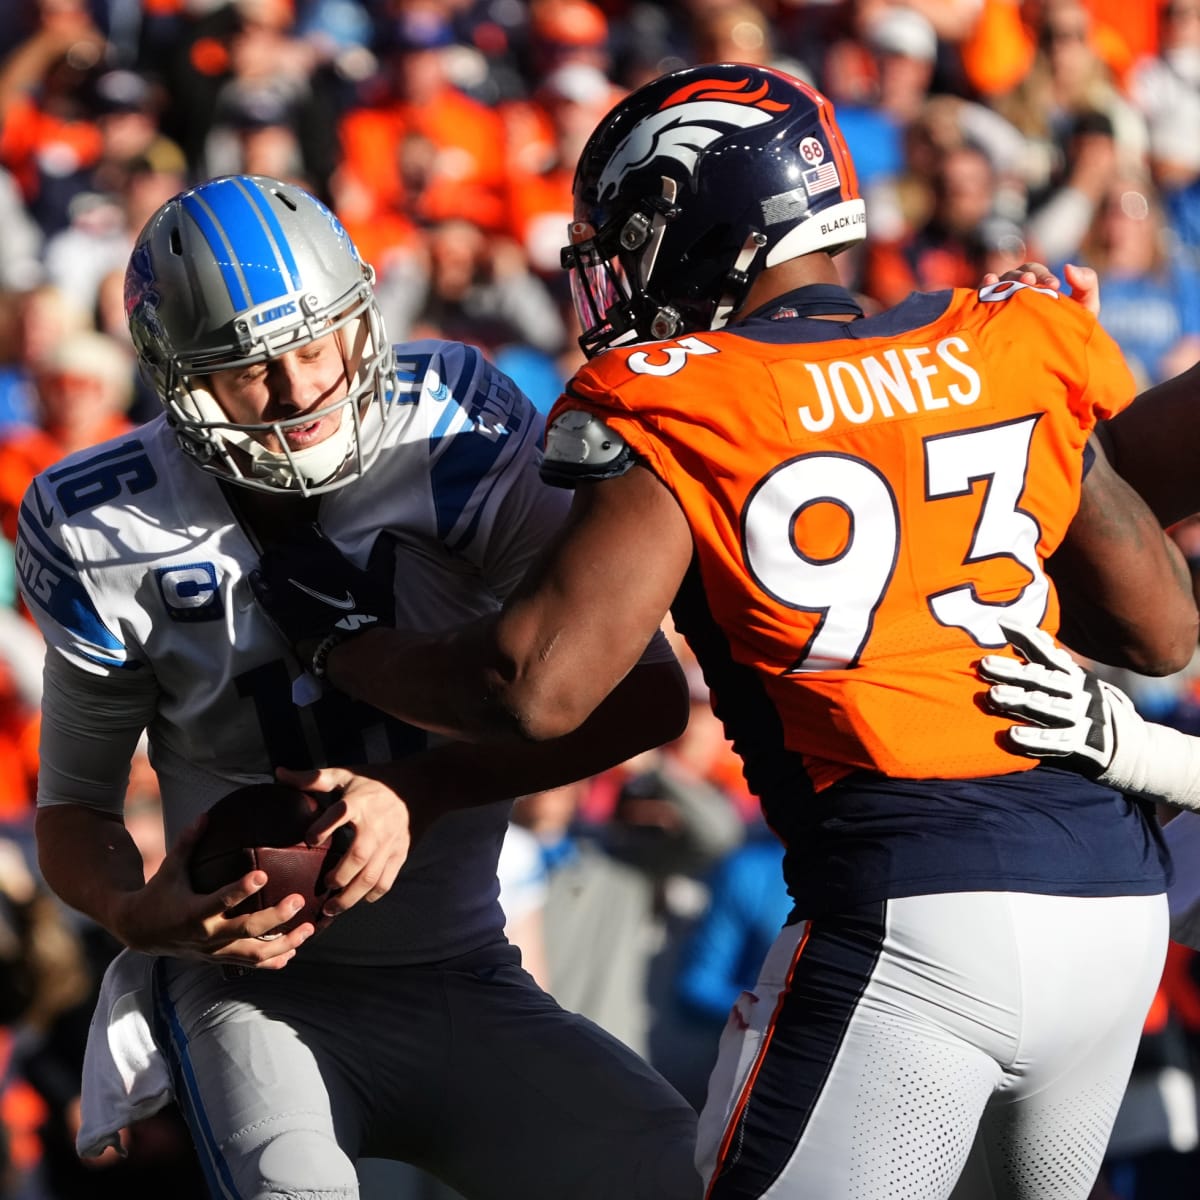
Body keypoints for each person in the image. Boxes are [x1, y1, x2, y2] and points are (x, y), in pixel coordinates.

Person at [250, 65, 1200, 1200]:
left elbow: (535, 685)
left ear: (699, 217)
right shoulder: (1006, 339)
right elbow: (1159, 630)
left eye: (625, 234)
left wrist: (341, 641)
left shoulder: (679, 391)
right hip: (1112, 909)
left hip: (913, 913)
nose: (612, 270)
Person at [15, 173, 700, 1200]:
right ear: (175, 374)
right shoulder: (102, 523)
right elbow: (75, 808)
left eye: (314, 342)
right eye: (248, 368)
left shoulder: (454, 423)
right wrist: (131, 910)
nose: (298, 390)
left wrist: (416, 794)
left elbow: (643, 696)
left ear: (362, 314)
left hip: (468, 967)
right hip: (256, 996)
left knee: (672, 1171)